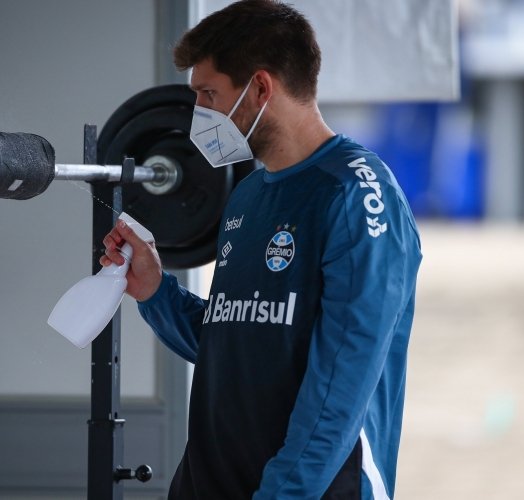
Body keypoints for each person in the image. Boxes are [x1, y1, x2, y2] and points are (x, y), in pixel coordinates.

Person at [100, 1, 422, 498]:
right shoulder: (249, 193)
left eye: (209, 93)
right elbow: (238, 342)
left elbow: (340, 388)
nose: (199, 113)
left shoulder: (356, 194)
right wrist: (156, 293)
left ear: (260, 88)